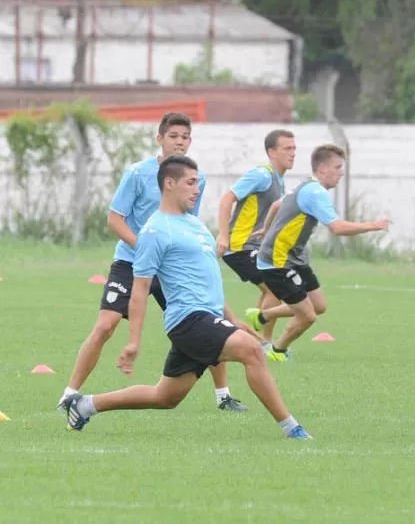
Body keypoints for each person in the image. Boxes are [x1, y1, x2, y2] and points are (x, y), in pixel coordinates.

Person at [63, 156, 311, 439]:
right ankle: (292, 428)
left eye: (198, 183)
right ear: (169, 184)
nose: (197, 189)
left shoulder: (195, 226)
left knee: (166, 397)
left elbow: (208, 282)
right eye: (191, 183)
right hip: (188, 321)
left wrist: (232, 319)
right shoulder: (155, 231)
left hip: (207, 317)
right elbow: (140, 289)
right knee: (252, 351)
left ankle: (85, 405)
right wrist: (133, 340)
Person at [58, 113, 246, 413]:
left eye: (184, 137)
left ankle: (223, 396)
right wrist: (146, 248)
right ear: (160, 139)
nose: (179, 141)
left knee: (206, 319)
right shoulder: (136, 173)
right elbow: (114, 219)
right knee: (105, 326)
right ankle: (70, 394)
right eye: (173, 136)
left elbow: (186, 220)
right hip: (132, 261)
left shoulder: (196, 177)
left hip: (170, 266)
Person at [245, 144, 391, 361]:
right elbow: (338, 228)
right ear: (322, 168)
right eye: (338, 167)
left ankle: (263, 316)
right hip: (278, 262)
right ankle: (278, 351)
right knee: (307, 317)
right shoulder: (316, 193)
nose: (341, 172)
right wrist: (374, 225)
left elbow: (277, 205)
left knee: (319, 305)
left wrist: (267, 229)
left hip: (294, 258)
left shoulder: (306, 186)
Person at [216, 129, 297, 347]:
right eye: (287, 148)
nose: (293, 153)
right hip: (240, 246)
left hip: (255, 247)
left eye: (294, 148)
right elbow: (227, 199)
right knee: (276, 288)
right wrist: (223, 234)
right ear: (271, 152)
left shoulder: (279, 181)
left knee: (269, 292)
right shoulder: (261, 175)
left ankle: (253, 341)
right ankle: (264, 344)